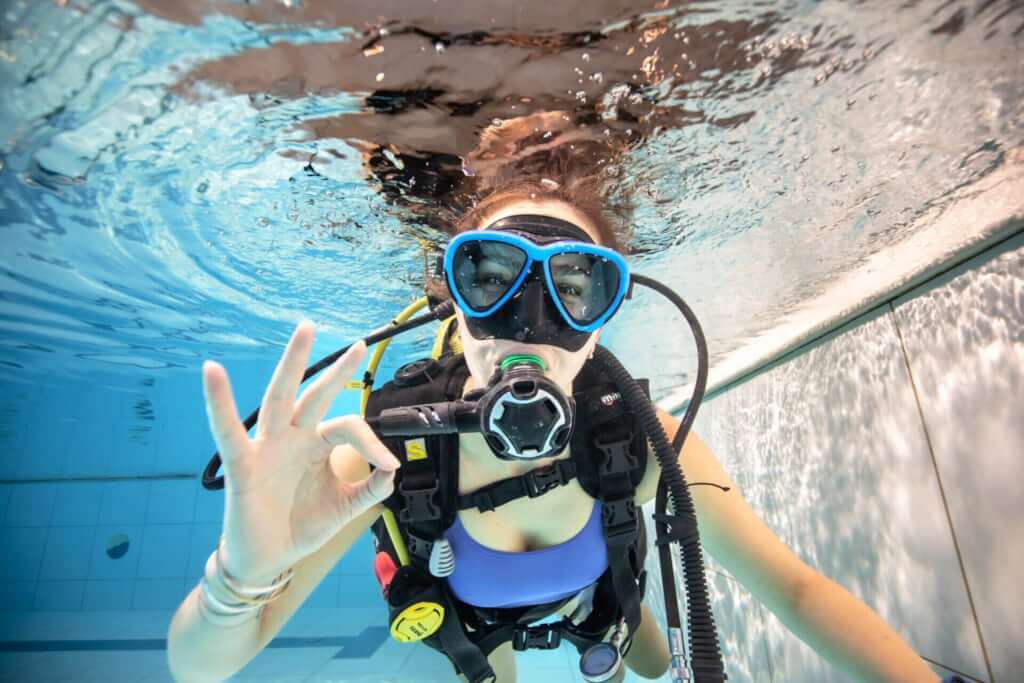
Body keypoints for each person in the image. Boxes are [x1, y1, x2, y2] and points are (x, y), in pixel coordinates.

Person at [167, 134, 945, 683]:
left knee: (644, 660)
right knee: (490, 670)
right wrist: (240, 578)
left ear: (605, 313)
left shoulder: (636, 439)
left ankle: (607, 624)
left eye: (572, 290)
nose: (528, 325)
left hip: (597, 595)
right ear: (454, 294)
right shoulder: (378, 451)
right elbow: (201, 666)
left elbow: (797, 590)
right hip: (471, 618)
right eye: (492, 277)